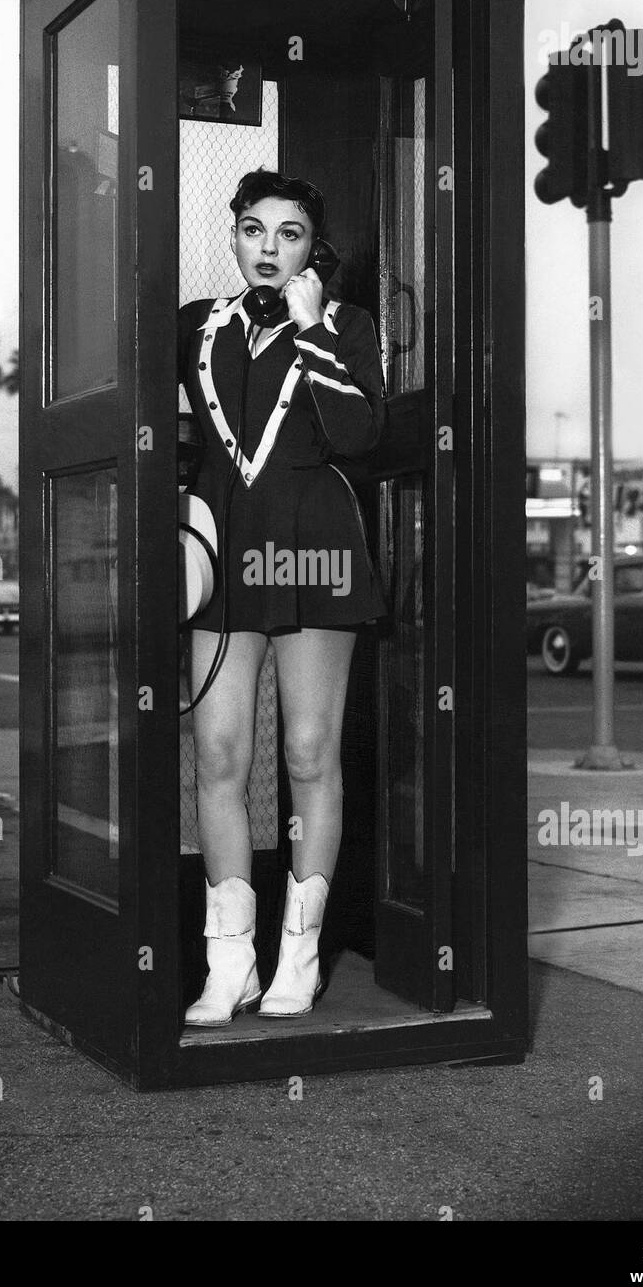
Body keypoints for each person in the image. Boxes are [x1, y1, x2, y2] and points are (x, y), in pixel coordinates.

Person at [179, 168, 388, 1026]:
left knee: (307, 753)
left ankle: (298, 957)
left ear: (313, 248)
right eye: (253, 229)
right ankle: (229, 963)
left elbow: (358, 435)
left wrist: (311, 328)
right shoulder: (197, 326)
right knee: (218, 754)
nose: (269, 248)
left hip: (315, 552)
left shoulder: (345, 325)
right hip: (223, 557)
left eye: (289, 233)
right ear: (233, 236)